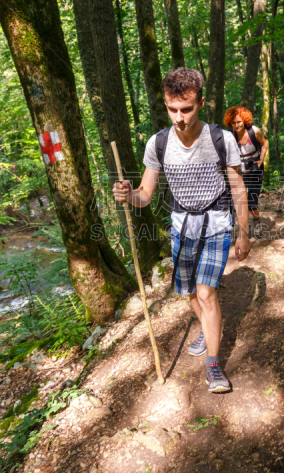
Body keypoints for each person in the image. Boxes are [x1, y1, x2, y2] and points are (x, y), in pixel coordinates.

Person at [112, 68, 250, 393]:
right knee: (188, 291)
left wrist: (243, 233)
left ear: (200, 103)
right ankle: (205, 326)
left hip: (216, 222)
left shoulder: (221, 139)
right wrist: (127, 195)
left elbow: (238, 188)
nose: (179, 117)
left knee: (206, 292)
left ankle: (213, 367)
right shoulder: (157, 144)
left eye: (186, 109)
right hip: (181, 225)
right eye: (172, 109)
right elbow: (144, 196)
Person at [224, 106, 268, 237]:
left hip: (254, 170)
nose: (236, 125)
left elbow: (264, 144)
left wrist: (260, 160)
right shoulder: (229, 135)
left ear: (244, 121)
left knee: (251, 202)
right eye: (233, 123)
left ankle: (256, 221)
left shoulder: (254, 131)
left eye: (239, 122)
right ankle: (230, 228)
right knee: (231, 201)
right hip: (238, 172)